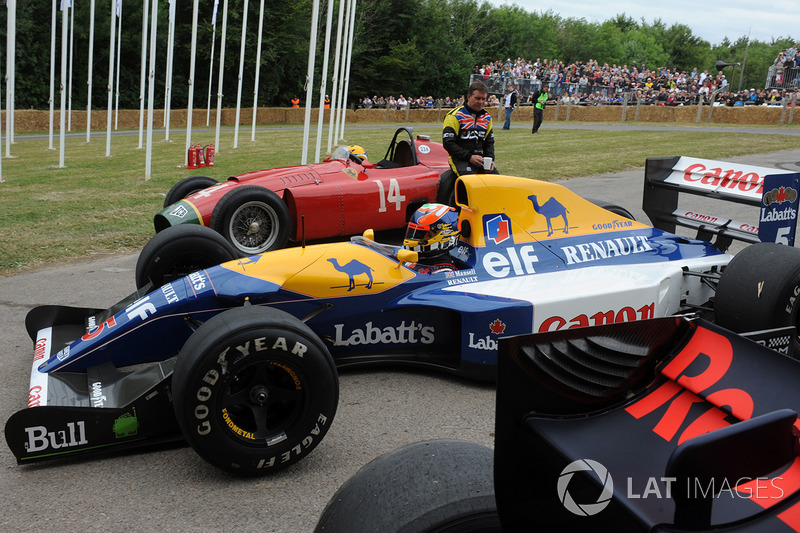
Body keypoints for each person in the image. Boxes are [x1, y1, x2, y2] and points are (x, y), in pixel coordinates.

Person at [439, 80, 498, 204]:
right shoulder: (454, 116)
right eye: (477, 98)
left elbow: (489, 143)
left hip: (480, 158)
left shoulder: (487, 117)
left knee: (497, 182)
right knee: (469, 184)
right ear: (469, 96)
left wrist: (490, 160)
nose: (481, 102)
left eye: (483, 99)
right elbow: (448, 143)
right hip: (459, 158)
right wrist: (469, 157)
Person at [402, 203, 462, 273]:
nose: (412, 239)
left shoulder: (444, 272)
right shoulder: (415, 258)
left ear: (445, 235)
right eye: (412, 232)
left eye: (421, 234)